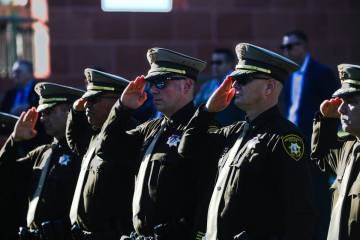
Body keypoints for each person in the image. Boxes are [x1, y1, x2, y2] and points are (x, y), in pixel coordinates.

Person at [178, 43, 316, 240]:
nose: (234, 85)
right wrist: (208, 110)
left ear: (269, 87)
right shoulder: (234, 132)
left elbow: (299, 213)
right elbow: (187, 148)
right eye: (234, 79)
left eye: (243, 79)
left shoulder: (284, 137)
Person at [118, 47, 214, 240]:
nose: (153, 90)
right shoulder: (152, 127)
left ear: (187, 86)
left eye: (161, 82)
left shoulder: (203, 129)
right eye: (151, 82)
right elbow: (108, 148)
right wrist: (121, 108)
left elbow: (207, 196)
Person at [0, 82, 84, 240]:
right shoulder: (42, 153)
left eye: (49, 111)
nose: (43, 118)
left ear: (69, 111)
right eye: (42, 112)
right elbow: (4, 173)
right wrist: (14, 140)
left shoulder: (83, 151)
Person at [280, 30, 339, 239]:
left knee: (318, 193)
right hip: (291, 143)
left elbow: (334, 109)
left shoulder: (321, 73)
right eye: (284, 47)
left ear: (304, 46)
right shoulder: (287, 74)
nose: (287, 51)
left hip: (315, 145)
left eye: (291, 46)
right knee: (295, 193)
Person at [67, 68, 138, 240]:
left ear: (117, 101)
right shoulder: (95, 134)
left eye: (93, 100)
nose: (87, 106)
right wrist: (75, 113)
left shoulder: (129, 133)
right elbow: (74, 142)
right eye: (86, 100)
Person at [311, 64, 360, 240]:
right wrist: (326, 121)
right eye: (341, 102)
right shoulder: (350, 148)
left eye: (351, 101)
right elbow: (322, 156)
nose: (340, 109)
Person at [194, 48, 245, 126]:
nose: (214, 66)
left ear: (229, 64)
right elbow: (196, 106)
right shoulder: (208, 85)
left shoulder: (238, 83)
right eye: (212, 63)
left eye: (218, 63)